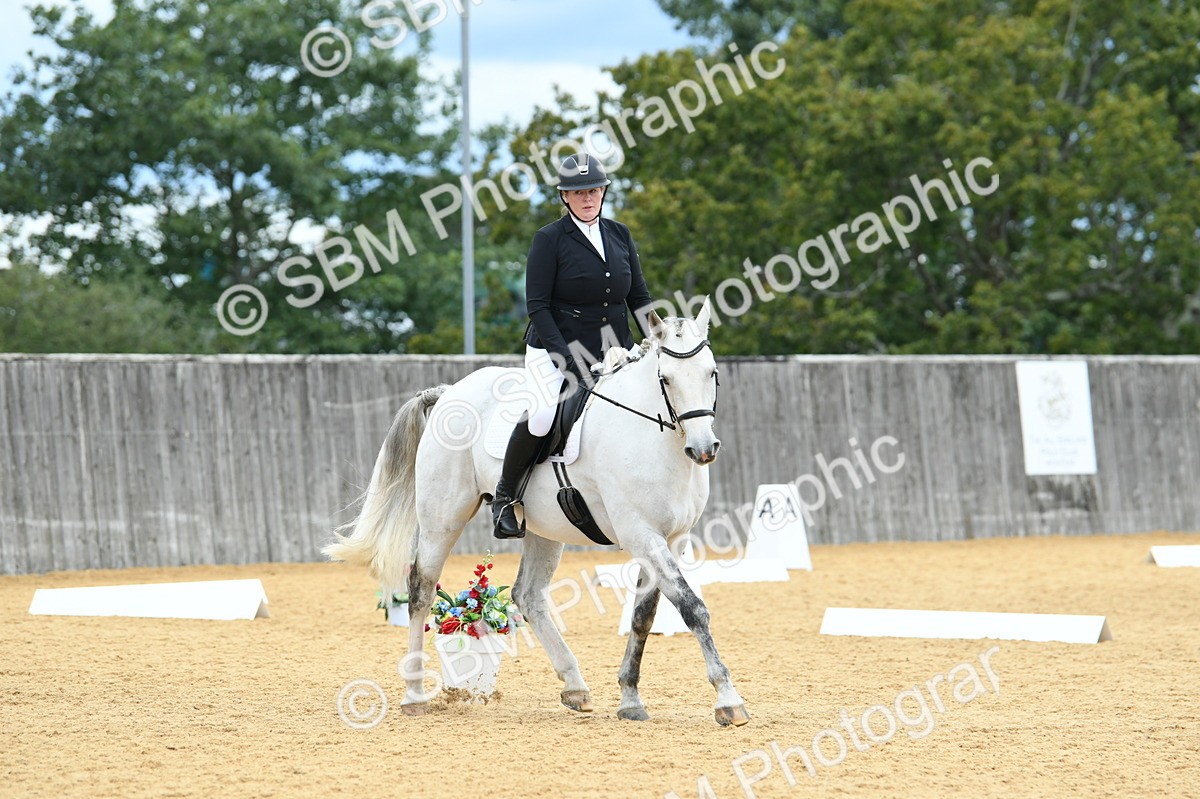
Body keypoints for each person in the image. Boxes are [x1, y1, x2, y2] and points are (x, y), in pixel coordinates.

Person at [492, 153, 655, 539]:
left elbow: (639, 296)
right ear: (565, 197)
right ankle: (504, 498)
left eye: (594, 190)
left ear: (603, 192)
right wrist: (565, 359)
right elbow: (538, 306)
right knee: (545, 415)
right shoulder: (549, 239)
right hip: (556, 346)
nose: (587, 198)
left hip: (615, 348)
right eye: (578, 192)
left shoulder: (620, 234)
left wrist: (658, 339)